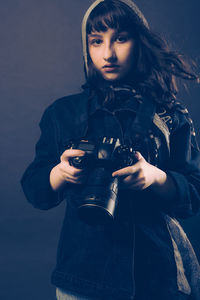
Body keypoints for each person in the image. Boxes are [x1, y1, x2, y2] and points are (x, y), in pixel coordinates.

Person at [21, 0, 200, 299]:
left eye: (120, 38)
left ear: (138, 41)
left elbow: (195, 194)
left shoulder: (170, 115)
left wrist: (155, 178)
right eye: (96, 41)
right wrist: (59, 173)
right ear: (86, 47)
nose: (108, 54)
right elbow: (34, 188)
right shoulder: (62, 114)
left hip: (156, 275)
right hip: (82, 276)